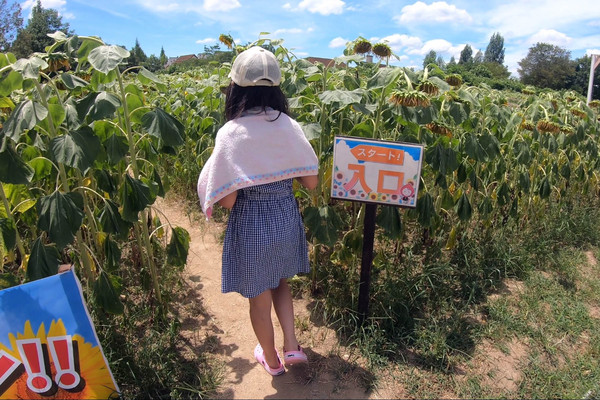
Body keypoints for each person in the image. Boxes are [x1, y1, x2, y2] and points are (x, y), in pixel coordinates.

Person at [197, 46, 319, 376]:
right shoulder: (290, 126)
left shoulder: (231, 133)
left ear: (235, 89)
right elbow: (310, 181)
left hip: (252, 222)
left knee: (258, 298)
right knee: (281, 281)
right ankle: (292, 347)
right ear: (277, 90)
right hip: (285, 217)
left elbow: (228, 201)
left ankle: (272, 359)